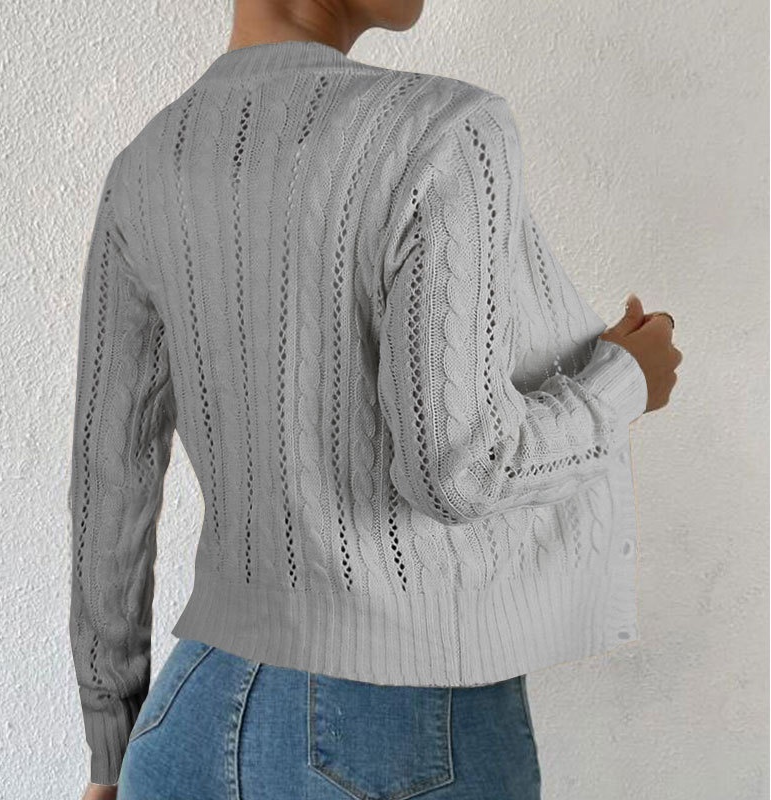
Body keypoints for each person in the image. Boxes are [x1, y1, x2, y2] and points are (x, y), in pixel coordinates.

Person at [68, 1, 682, 798]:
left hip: (184, 725)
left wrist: (109, 752)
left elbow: (110, 482)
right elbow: (459, 472)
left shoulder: (145, 166)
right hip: (399, 739)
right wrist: (624, 381)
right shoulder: (445, 130)